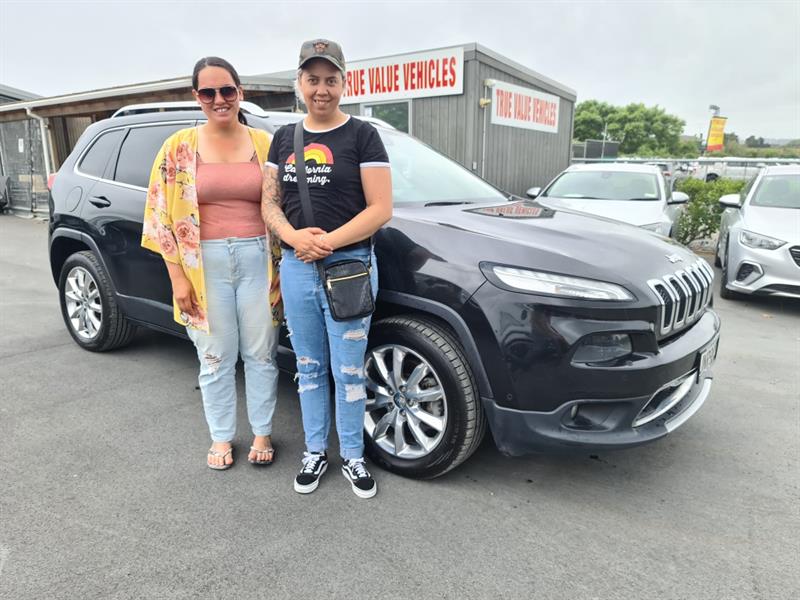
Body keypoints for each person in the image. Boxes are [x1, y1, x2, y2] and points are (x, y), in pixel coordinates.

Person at [261, 39, 392, 498]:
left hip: (350, 267)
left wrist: (327, 242)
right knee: (310, 367)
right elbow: (269, 203)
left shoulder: (363, 135)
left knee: (349, 370)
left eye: (331, 80)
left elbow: (381, 208)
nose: (322, 89)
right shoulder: (284, 138)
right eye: (313, 79)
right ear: (299, 83)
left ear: (343, 83)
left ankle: (353, 455)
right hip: (297, 268)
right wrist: (294, 238)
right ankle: (315, 451)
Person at [142, 57, 283, 470]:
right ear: (196, 97)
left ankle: (262, 431)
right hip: (203, 266)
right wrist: (177, 278)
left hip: (259, 259)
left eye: (227, 90)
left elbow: (284, 203)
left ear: (240, 92)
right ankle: (221, 436)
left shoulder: (265, 144)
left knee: (261, 353)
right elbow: (159, 216)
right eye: (208, 92)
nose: (219, 99)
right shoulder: (178, 147)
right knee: (215, 356)